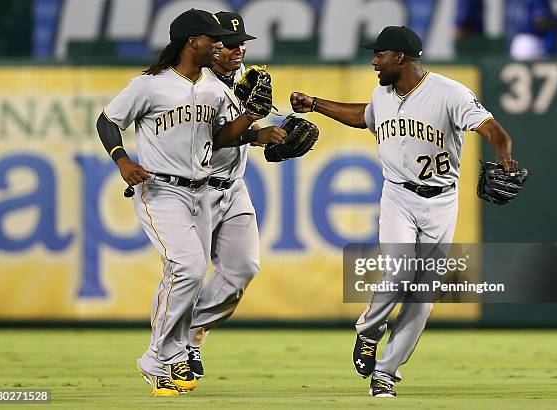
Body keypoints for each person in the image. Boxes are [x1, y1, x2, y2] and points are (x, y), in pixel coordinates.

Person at [290, 26, 518, 398]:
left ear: (399, 56)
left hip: (442, 202)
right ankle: (369, 331)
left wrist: (504, 155)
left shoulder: (448, 92)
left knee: (423, 295)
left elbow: (493, 130)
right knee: (398, 270)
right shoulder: (383, 93)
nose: (374, 61)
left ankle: (386, 374)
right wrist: (316, 104)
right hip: (397, 196)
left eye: (379, 55)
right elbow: (363, 116)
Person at [96, 8, 266, 397]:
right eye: (214, 39)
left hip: (203, 189)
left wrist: (257, 121)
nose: (221, 45)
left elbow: (225, 135)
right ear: (193, 42)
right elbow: (108, 120)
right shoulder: (150, 85)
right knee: (187, 266)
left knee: (213, 269)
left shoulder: (215, 86)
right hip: (161, 190)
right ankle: (158, 358)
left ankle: (175, 349)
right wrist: (122, 159)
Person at [185, 11, 286, 379]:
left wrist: (280, 134)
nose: (238, 49)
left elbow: (251, 126)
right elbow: (206, 138)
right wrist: (251, 133)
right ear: (210, 46)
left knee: (243, 267)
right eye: (229, 44)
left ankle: (190, 332)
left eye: (241, 42)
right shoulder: (195, 84)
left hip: (234, 188)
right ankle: (175, 345)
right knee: (187, 275)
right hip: (193, 191)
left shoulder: (244, 80)